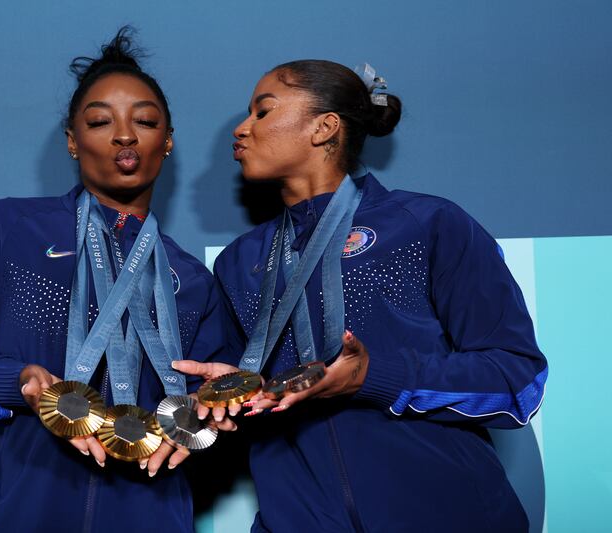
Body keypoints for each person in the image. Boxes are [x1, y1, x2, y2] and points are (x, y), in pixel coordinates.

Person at [174, 60, 547, 532]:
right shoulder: (238, 260)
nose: (241, 129)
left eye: (262, 112)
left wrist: (374, 377)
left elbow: (518, 381)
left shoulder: (425, 224)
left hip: (449, 515)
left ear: (324, 127)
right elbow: (248, 399)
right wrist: (223, 394)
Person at [0, 28, 233, 532]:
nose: (125, 135)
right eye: (100, 121)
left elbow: (206, 416)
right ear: (73, 142)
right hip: (25, 514)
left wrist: (209, 413)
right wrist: (17, 382)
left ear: (166, 142)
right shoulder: (9, 229)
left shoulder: (192, 278)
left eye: (144, 121)